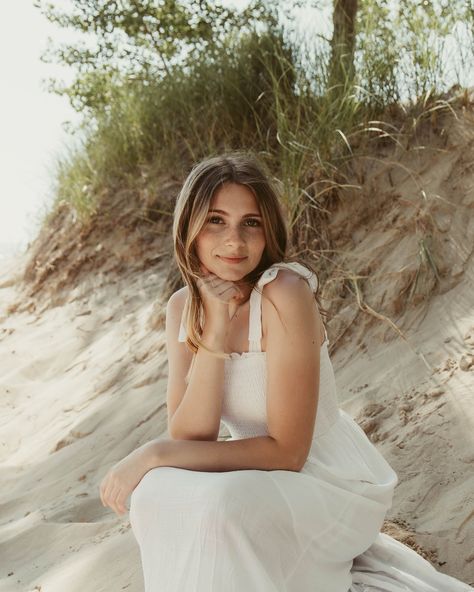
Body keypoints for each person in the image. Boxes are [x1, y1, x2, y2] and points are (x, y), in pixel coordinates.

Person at [99, 152, 473, 591]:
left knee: (217, 503)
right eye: (216, 221)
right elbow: (191, 435)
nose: (234, 241)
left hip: (325, 478)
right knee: (154, 496)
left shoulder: (285, 293)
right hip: (254, 473)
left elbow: (288, 453)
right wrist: (215, 332)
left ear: (268, 230)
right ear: (190, 228)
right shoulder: (183, 306)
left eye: (251, 223)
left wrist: (152, 454)